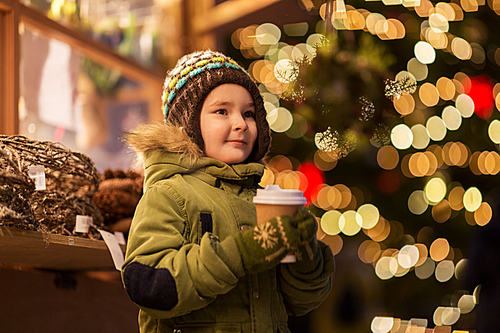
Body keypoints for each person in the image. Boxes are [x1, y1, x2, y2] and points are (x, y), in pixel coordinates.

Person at [121, 50, 335, 333]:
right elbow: (148, 285)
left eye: (249, 113)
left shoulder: (261, 200)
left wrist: (306, 254)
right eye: (222, 111)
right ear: (188, 124)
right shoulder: (170, 193)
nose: (241, 124)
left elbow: (300, 302)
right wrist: (240, 253)